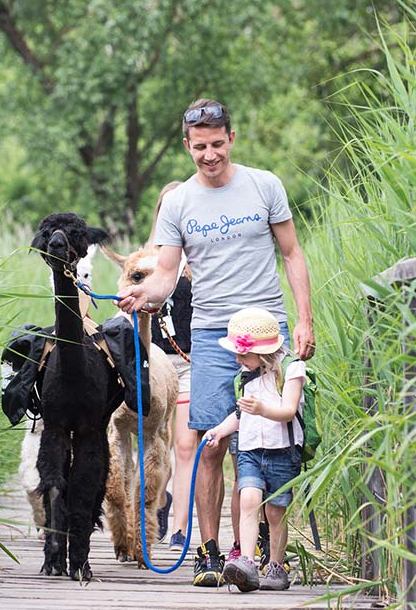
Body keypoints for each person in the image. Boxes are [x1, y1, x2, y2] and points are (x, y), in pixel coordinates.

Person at [116, 98, 314, 588]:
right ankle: (208, 555)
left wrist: (304, 320)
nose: (210, 155)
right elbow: (165, 274)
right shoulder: (180, 202)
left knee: (271, 442)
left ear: (232, 139)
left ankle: (264, 552)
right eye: (200, 147)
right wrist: (142, 295)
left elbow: (291, 254)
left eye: (218, 144)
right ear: (187, 145)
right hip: (210, 333)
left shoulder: (264, 185)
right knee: (211, 444)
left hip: (266, 332)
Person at [205, 307, 304, 592]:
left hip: (281, 451)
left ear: (263, 354)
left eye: (242, 354)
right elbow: (240, 415)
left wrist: (262, 409)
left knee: (275, 511)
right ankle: (247, 562)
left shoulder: (291, 370)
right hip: (250, 450)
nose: (237, 359)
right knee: (248, 499)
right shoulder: (245, 375)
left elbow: (287, 410)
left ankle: (275, 563)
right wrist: (219, 431)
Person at [147, 182, 195, 552]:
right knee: (153, 441)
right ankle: (155, 504)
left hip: (189, 363)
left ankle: (179, 524)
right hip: (154, 364)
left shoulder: (201, 260)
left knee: (183, 445)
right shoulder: (146, 261)